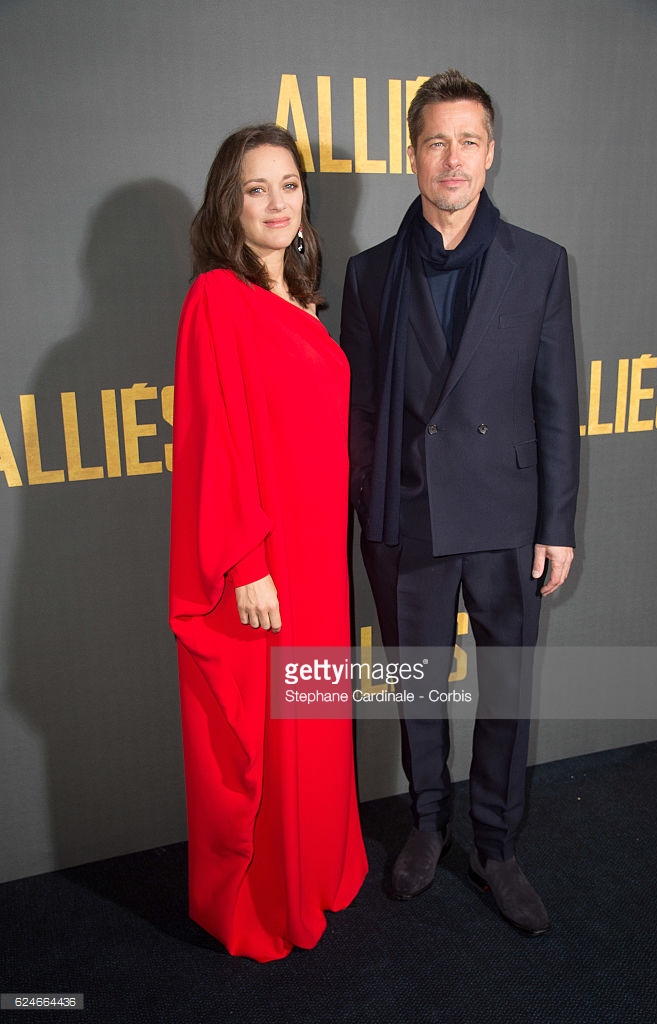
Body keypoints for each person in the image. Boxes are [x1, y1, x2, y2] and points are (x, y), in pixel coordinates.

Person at [340, 70, 579, 935]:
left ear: (491, 152)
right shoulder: (370, 277)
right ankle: (430, 823)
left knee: (506, 685)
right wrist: (371, 508)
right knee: (417, 681)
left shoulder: (540, 263)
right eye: (436, 141)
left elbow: (558, 404)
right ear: (412, 155)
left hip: (510, 518)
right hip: (411, 516)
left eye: (468, 141)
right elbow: (362, 410)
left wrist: (558, 525)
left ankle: (496, 842)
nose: (453, 158)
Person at [169, 124, 367, 962]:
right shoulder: (217, 298)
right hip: (269, 558)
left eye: (288, 185)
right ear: (230, 204)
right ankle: (271, 894)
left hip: (321, 557)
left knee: (317, 717)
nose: (278, 202)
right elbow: (216, 435)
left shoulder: (306, 303)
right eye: (257, 189)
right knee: (275, 731)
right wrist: (246, 562)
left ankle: (319, 865)